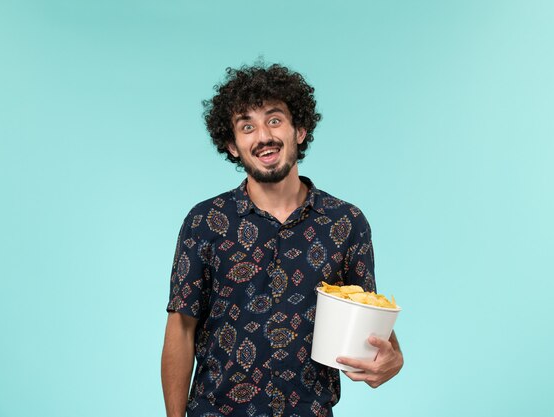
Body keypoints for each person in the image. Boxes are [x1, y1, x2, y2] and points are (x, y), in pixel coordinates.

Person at [161, 63, 403, 417]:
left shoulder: (346, 223)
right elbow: (181, 328)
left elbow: (370, 318)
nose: (263, 136)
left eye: (274, 120)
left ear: (299, 130)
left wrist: (392, 361)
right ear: (231, 145)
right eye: (247, 126)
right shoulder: (204, 222)